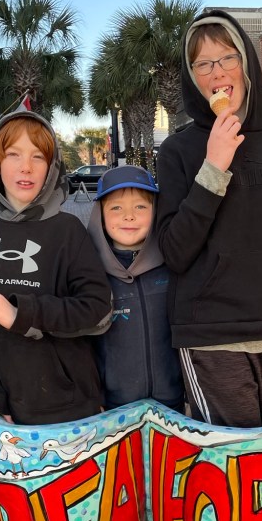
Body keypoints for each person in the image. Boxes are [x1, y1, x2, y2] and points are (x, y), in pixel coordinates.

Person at [155, 8, 262, 428]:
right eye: (203, 64)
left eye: (227, 57)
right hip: (209, 332)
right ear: (192, 76)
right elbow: (174, 250)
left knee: (258, 447)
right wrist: (213, 166)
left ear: (246, 64)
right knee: (237, 451)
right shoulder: (177, 151)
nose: (217, 72)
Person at [0, 110, 112, 435]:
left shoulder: (68, 229)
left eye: (38, 156)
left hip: (72, 401)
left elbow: (99, 312)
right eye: (13, 154)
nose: (26, 167)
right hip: (7, 407)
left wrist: (20, 314)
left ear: (51, 168)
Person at [87, 165, 184, 412]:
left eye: (140, 207)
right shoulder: (89, 273)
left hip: (171, 404)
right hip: (114, 407)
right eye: (116, 207)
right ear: (100, 215)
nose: (128, 216)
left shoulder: (173, 266)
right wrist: (95, 397)